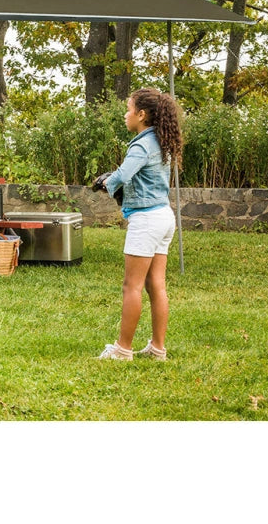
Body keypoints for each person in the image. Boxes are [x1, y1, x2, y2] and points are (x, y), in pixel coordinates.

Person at [93, 87, 183, 361]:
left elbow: (123, 175)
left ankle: (123, 349)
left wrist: (105, 183)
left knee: (131, 286)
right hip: (163, 216)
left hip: (146, 220)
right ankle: (157, 348)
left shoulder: (142, 144)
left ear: (141, 114)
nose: (126, 114)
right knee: (156, 285)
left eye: (128, 109)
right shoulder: (160, 140)